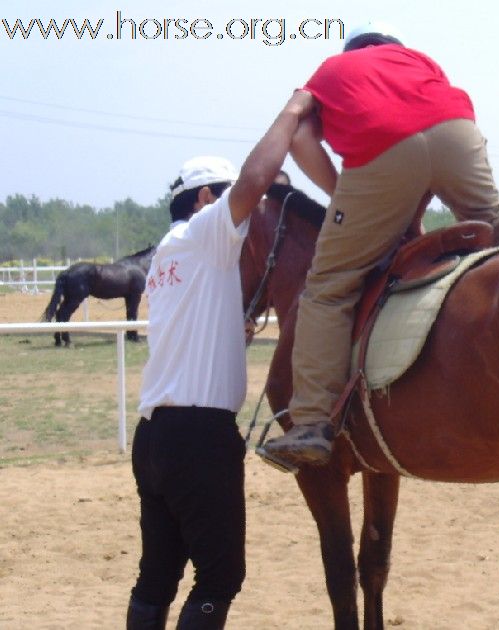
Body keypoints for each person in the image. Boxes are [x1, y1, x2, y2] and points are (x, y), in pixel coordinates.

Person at [256, 22, 499, 471]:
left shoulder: (334, 69)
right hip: (455, 129)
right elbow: (428, 141)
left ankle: (310, 422)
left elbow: (302, 138)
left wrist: (344, 191)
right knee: (494, 215)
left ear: (355, 50)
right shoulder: (420, 61)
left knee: (328, 285)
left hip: (384, 145)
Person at [127, 105, 308, 628]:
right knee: (220, 575)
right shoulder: (206, 232)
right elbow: (255, 179)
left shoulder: (169, 255)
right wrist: (293, 112)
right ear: (206, 199)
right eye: (230, 199)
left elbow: (196, 327)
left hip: (155, 436)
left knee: (157, 575)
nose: (245, 212)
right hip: (198, 439)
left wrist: (236, 331)